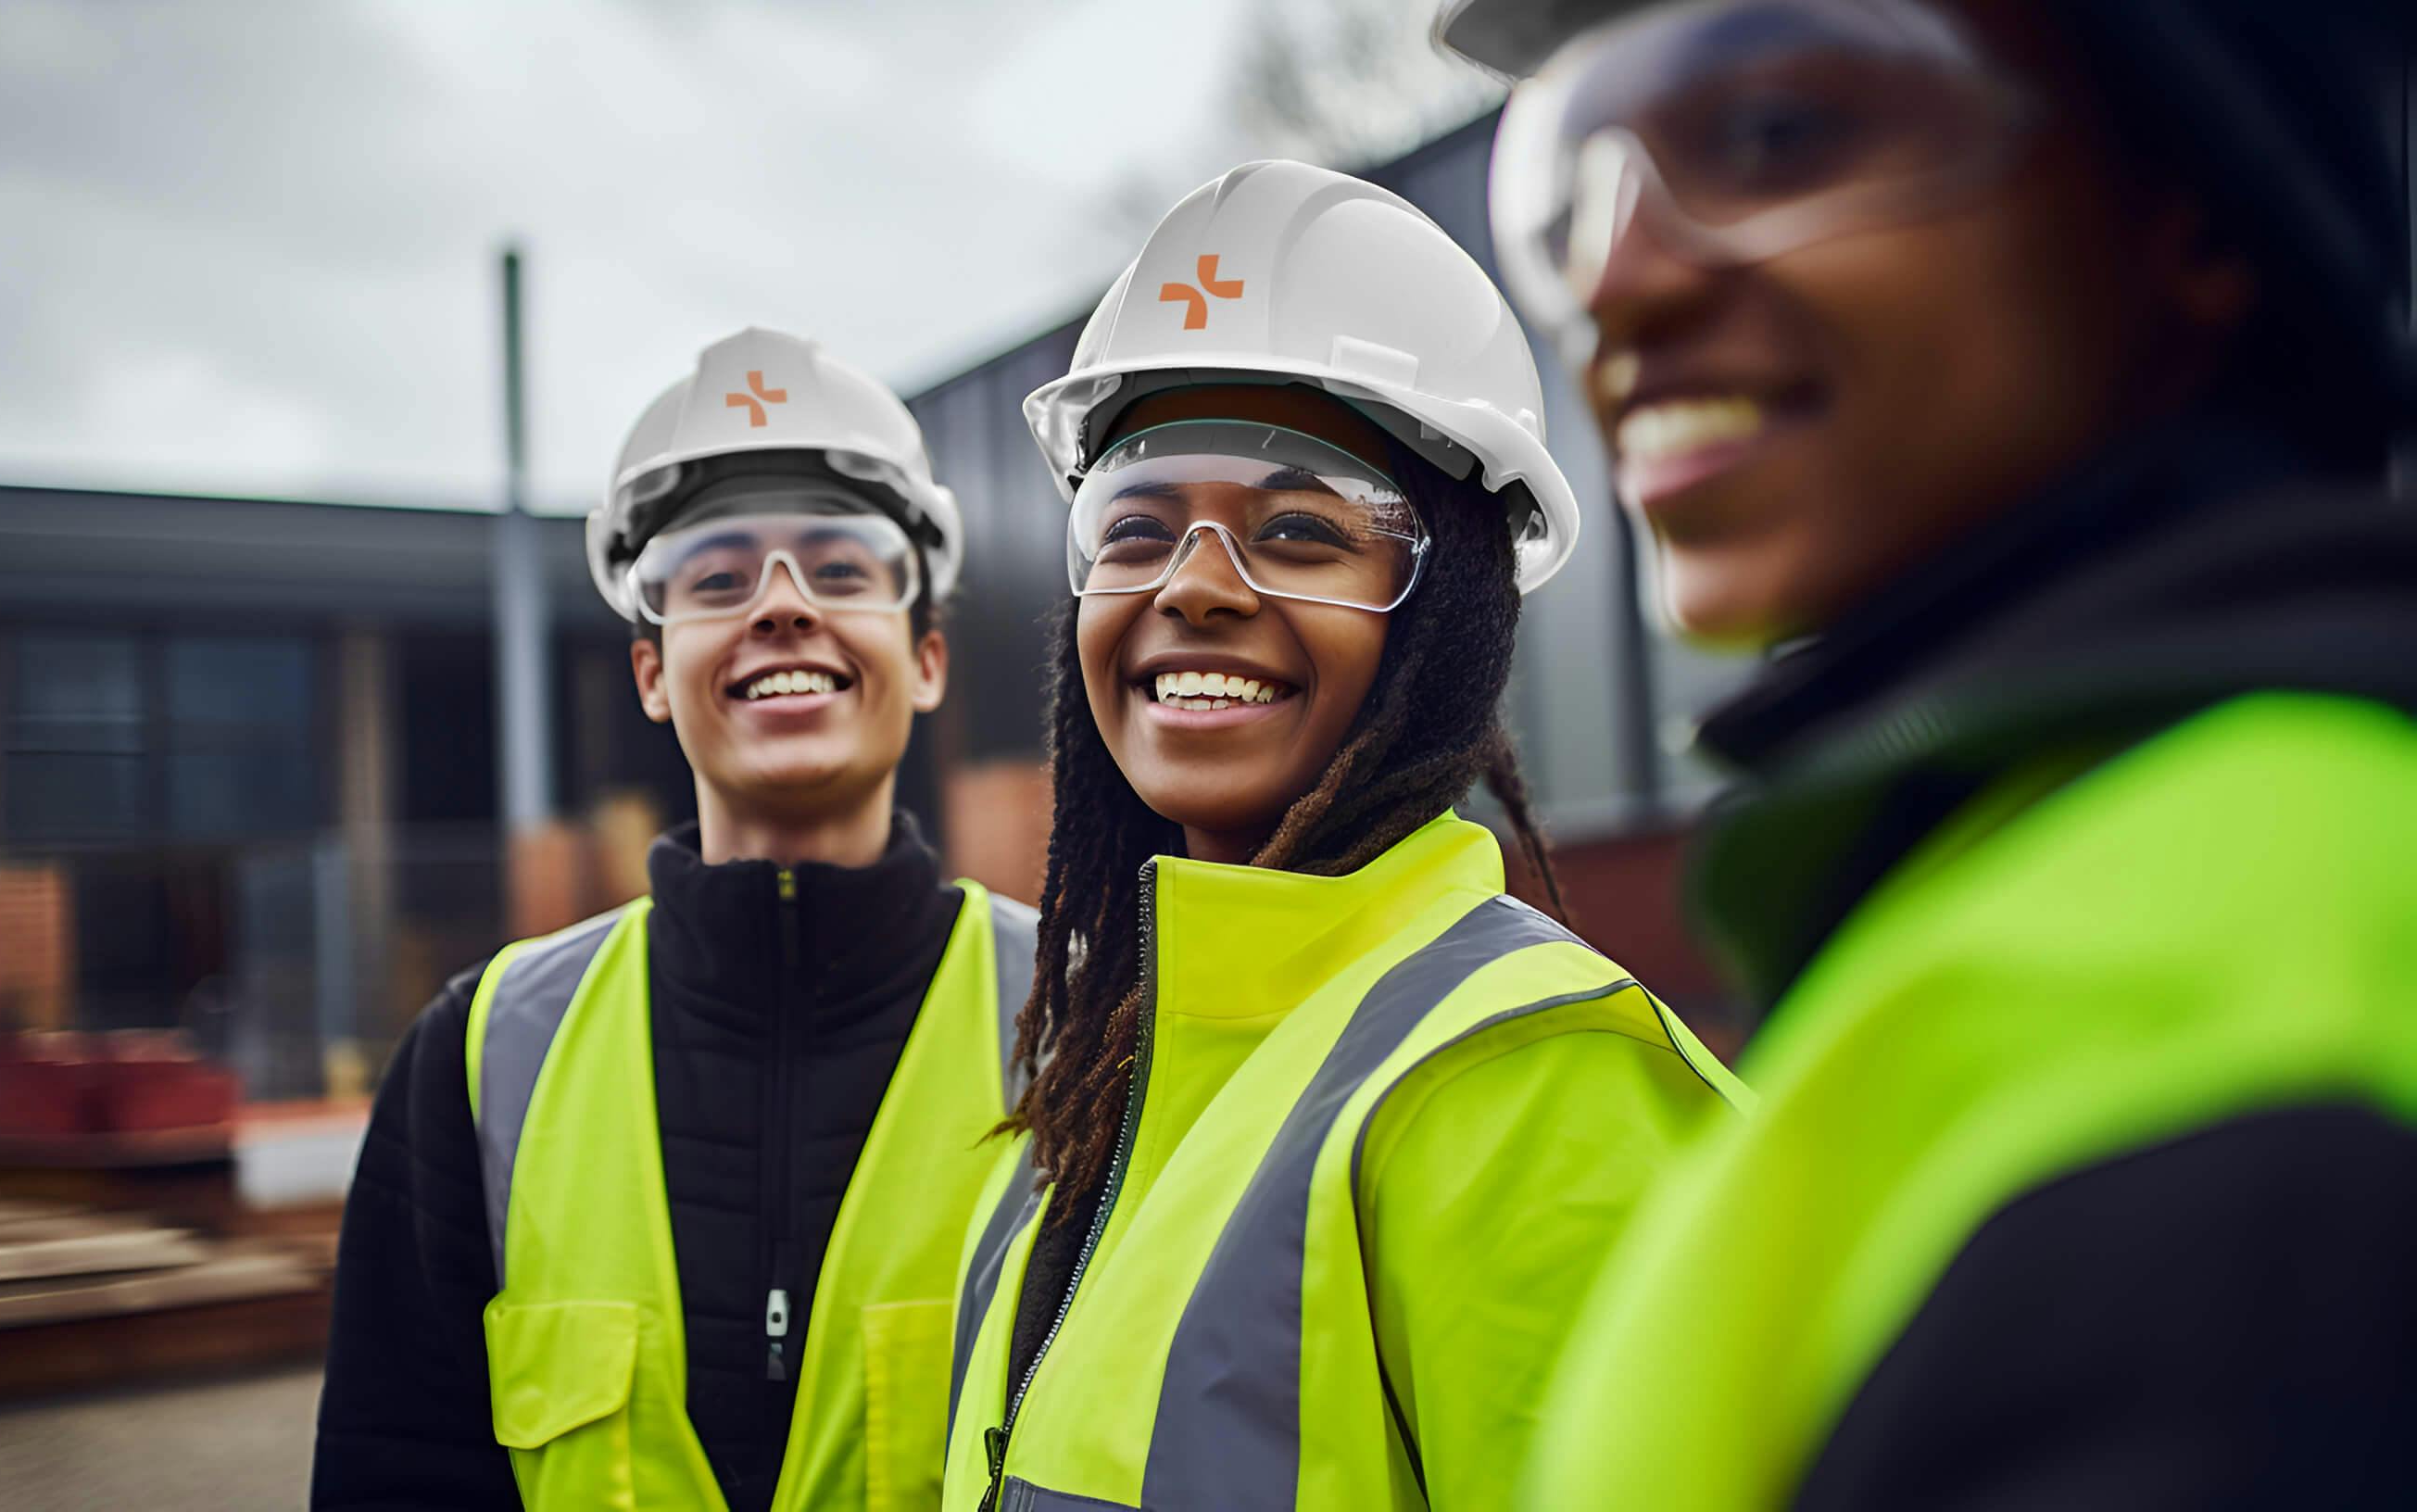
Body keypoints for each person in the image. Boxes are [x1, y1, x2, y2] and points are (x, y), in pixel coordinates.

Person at [1434, 0, 2417, 1504]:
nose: (1614, 281)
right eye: (1563, 198)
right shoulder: (2018, 868)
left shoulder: (2206, 994)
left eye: (1773, 132)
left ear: (2195, 203)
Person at [936, 160, 1747, 1512]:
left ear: (1444, 612)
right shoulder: (1087, 1088)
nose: (1192, 583)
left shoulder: (1525, 1080)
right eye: (1133, 525)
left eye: (1300, 531)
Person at [314, 327, 1037, 1512]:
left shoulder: (1085, 1025)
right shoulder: (480, 1058)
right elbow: (391, 1471)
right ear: (653, 674)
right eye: (717, 577)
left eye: (842, 569)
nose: (783, 607)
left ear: (928, 659)